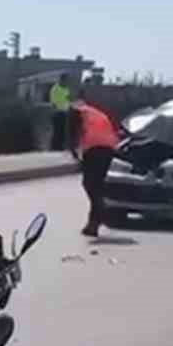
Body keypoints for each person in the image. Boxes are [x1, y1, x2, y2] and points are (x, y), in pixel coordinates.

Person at [69, 99, 120, 237]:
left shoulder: (78, 112)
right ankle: (93, 224)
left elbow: (74, 131)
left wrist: (73, 150)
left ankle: (100, 210)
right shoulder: (97, 113)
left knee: (89, 184)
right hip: (109, 148)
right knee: (97, 184)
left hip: (94, 147)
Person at [49, 73, 72, 151]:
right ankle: (54, 148)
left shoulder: (66, 89)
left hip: (65, 112)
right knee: (57, 132)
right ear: (62, 80)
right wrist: (55, 110)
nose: (67, 82)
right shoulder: (55, 88)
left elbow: (68, 99)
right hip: (57, 112)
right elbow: (53, 102)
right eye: (66, 80)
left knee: (62, 132)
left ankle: (60, 148)